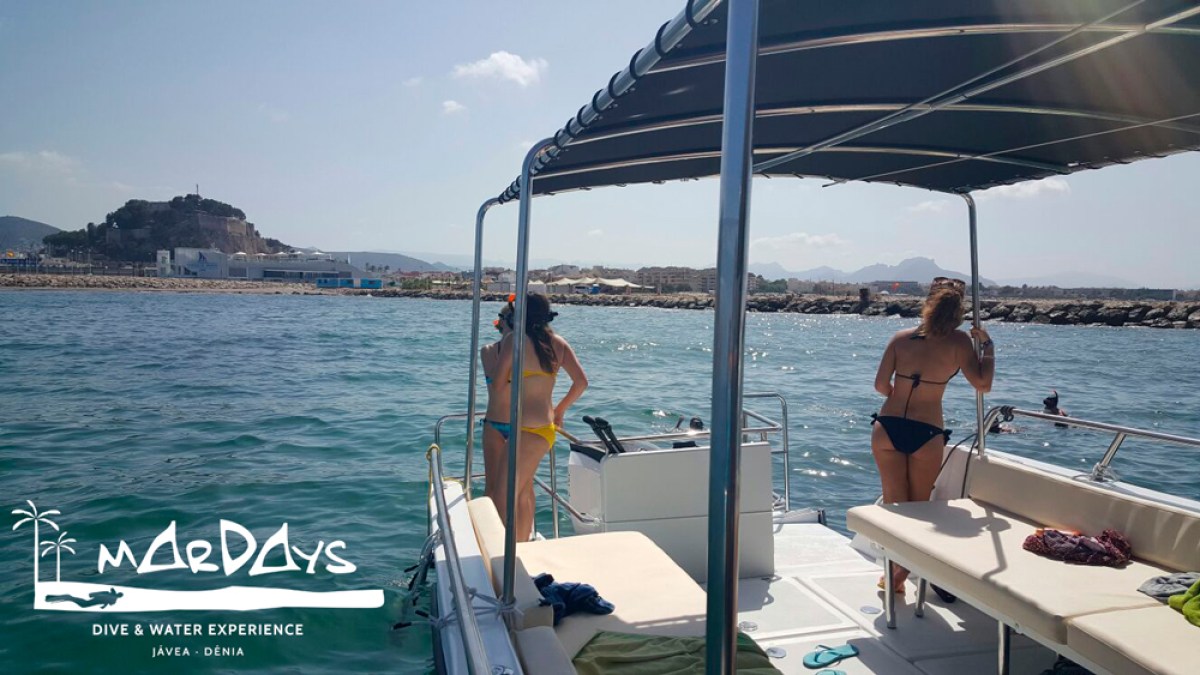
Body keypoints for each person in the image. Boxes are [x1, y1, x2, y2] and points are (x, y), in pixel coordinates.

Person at [871, 277, 994, 592]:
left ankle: (895, 572)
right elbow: (983, 385)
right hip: (927, 431)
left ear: (927, 306)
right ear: (958, 313)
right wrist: (988, 347)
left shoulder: (900, 339)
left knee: (895, 505)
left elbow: (881, 386)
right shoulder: (960, 343)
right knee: (919, 507)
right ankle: (899, 575)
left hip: (888, 426)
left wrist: (897, 393)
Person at [492, 293, 588, 542]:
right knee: (523, 491)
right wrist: (560, 410)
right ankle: (522, 545)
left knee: (503, 496)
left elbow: (498, 385)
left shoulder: (514, 341)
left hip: (523, 429)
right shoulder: (559, 343)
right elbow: (581, 382)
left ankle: (505, 552)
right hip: (545, 429)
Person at [480, 299, 515, 502]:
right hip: (499, 424)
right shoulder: (488, 351)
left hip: (509, 424)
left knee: (507, 486)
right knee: (494, 486)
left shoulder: (489, 351)